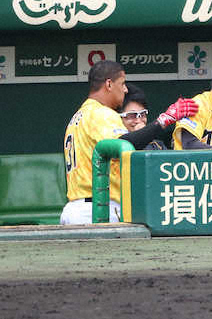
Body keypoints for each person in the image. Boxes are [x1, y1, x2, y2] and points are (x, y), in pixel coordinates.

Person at [61, 60, 196, 224]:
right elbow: (124, 144)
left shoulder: (80, 115)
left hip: (77, 208)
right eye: (122, 83)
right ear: (109, 84)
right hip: (97, 208)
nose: (125, 89)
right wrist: (164, 120)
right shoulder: (101, 113)